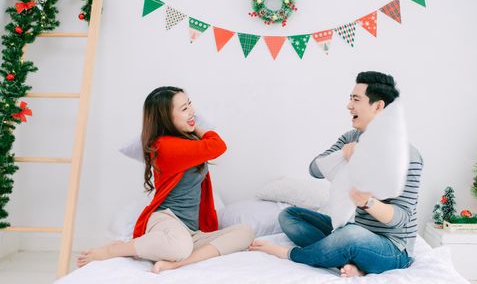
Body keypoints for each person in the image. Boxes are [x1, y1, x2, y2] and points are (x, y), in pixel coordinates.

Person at [250, 71, 423, 277]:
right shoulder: (352, 137)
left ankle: (293, 254)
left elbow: (400, 219)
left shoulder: (407, 155)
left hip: (392, 248)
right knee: (290, 216)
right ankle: (348, 258)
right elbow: (314, 169)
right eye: (350, 99)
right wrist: (343, 154)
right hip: (354, 229)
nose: (349, 106)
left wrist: (367, 201)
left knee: (351, 235)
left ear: (378, 107)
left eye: (356, 100)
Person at [77, 86, 254, 273]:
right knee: (179, 246)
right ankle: (117, 249)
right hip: (166, 220)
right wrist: (196, 128)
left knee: (245, 232)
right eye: (184, 109)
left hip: (191, 232)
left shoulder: (189, 143)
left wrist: (191, 125)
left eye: (190, 104)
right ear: (166, 118)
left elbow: (211, 146)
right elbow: (217, 145)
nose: (192, 111)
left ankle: (179, 263)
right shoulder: (164, 146)